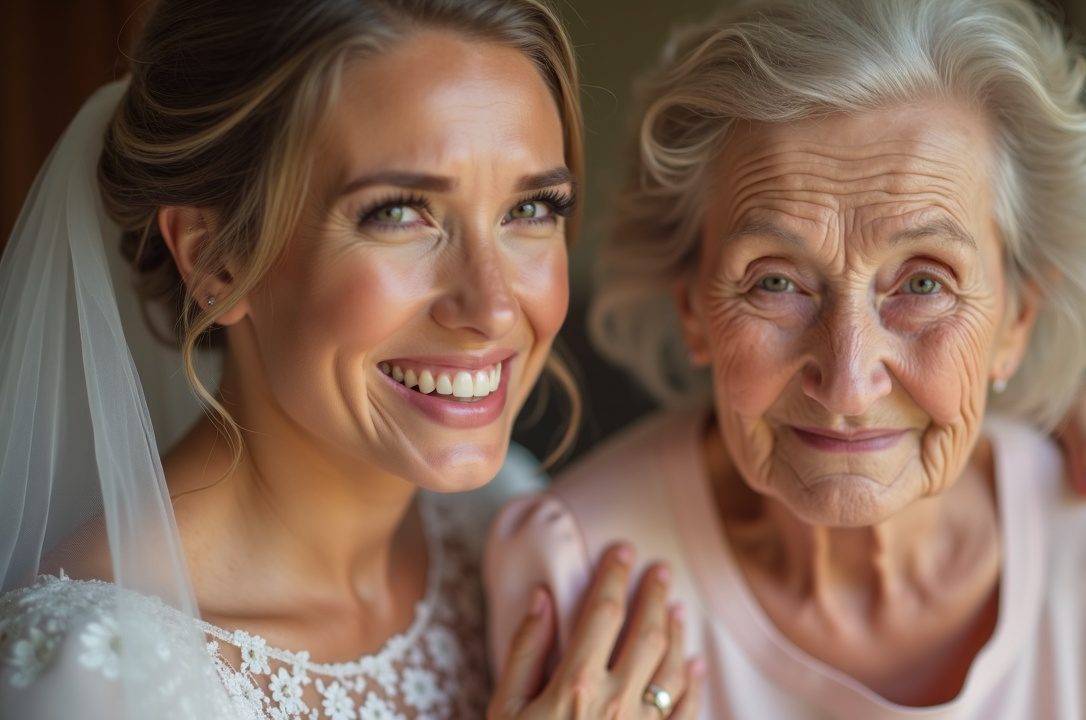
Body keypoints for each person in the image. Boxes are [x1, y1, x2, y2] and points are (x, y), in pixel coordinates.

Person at [485, 0, 1086, 717]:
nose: (848, 380)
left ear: (1017, 318)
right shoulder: (571, 571)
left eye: (924, 283)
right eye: (776, 282)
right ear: (692, 306)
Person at [0, 1, 704, 718]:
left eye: (531, 211)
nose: (493, 307)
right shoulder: (97, 679)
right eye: (399, 213)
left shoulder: (500, 527)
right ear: (215, 257)